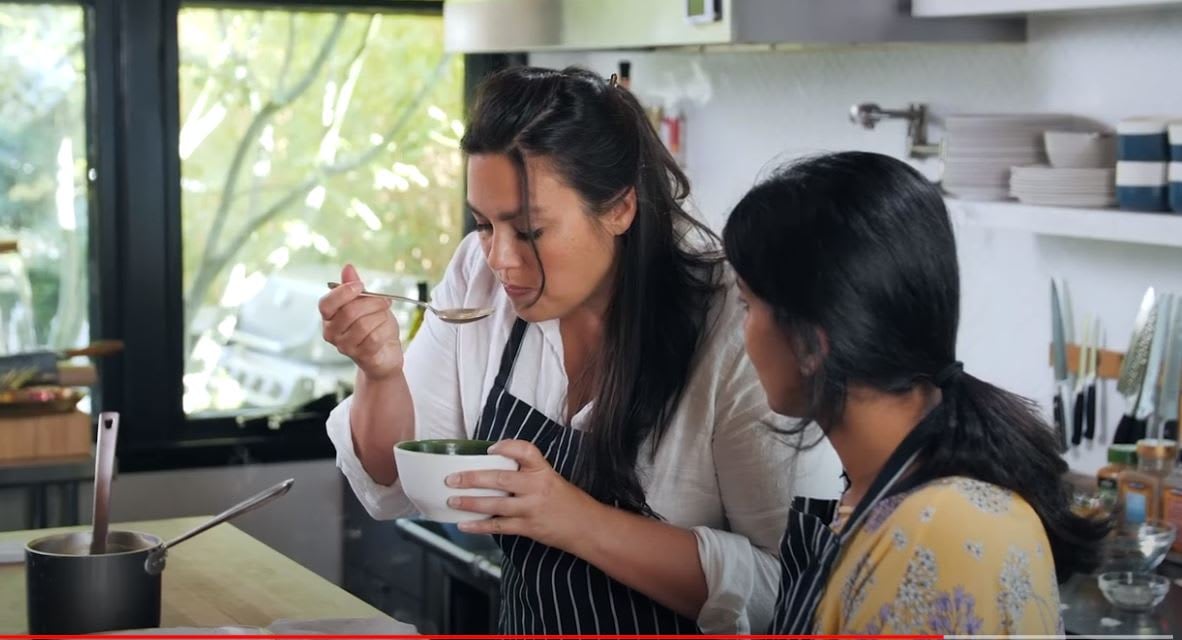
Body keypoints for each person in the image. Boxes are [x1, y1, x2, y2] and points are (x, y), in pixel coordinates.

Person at [318, 66, 842, 635]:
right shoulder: (479, 274)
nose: (499, 258)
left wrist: (573, 519)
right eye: (484, 224)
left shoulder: (733, 326)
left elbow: (790, 594)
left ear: (619, 208)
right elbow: (393, 481)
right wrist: (379, 372)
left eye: (529, 231)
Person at [721, 151, 1109, 636]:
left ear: (809, 345)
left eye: (746, 303)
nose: (743, 331)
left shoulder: (937, 534)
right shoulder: (891, 489)